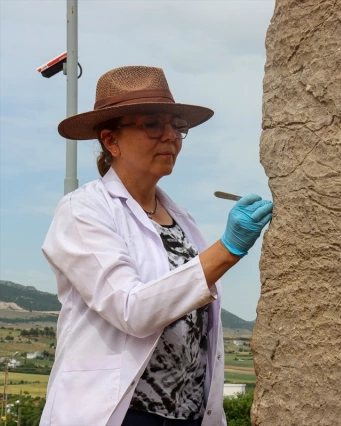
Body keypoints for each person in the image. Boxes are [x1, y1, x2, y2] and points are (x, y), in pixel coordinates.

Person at [39, 66, 272, 426]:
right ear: (110, 141)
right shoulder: (83, 210)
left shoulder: (180, 218)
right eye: (152, 125)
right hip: (126, 413)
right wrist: (227, 249)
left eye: (176, 125)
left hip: (188, 415)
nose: (170, 137)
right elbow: (132, 309)